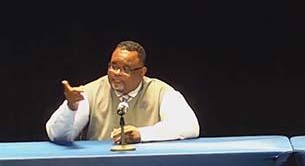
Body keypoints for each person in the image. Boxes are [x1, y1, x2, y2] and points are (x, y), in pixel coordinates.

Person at [46, 40, 200, 143]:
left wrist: (141, 135)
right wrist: (71, 107)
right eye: (113, 66)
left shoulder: (161, 92)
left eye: (126, 69)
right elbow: (57, 136)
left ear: (142, 72)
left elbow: (189, 126)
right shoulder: (90, 92)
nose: (117, 73)